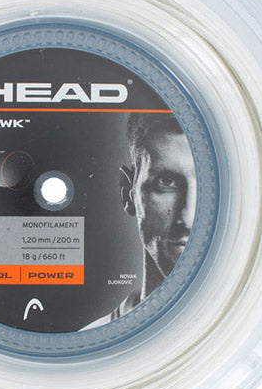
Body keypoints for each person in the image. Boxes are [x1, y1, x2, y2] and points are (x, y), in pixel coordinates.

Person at [84, 112, 196, 329]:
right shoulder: (88, 342)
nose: (188, 218)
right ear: (128, 193)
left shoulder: (248, 332)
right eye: (166, 182)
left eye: (209, 184)